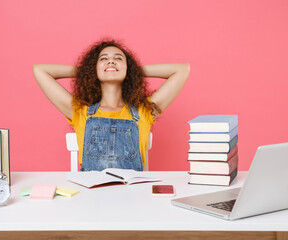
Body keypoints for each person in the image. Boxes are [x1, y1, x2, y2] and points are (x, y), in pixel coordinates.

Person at [33, 39, 190, 171]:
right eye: (103, 59)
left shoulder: (144, 111)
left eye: (118, 59)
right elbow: (40, 70)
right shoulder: (80, 111)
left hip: (133, 199)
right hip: (90, 199)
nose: (111, 61)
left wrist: (132, 70)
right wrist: (88, 71)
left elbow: (182, 70)